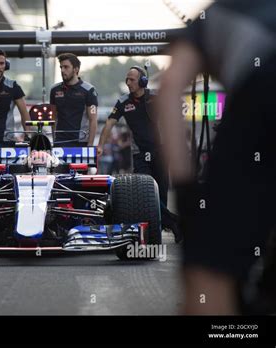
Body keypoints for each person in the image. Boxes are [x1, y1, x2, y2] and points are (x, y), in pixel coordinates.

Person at [156, 0, 276, 314]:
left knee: (208, 272)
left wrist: (184, 189)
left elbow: (169, 89)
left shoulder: (217, 13)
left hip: (263, 93)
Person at [97, 66, 181, 243]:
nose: (128, 83)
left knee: (161, 192)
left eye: (132, 80)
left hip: (161, 152)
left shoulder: (156, 97)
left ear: (143, 81)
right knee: (146, 192)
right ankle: (174, 222)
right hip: (140, 154)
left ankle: (161, 230)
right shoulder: (122, 102)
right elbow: (109, 124)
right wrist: (100, 146)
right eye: (127, 79)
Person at [49, 53, 98, 147]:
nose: (62, 70)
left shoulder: (89, 90)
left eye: (66, 67)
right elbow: (53, 118)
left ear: (76, 69)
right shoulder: (54, 90)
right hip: (60, 142)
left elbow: (93, 120)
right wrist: (55, 140)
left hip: (80, 141)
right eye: (61, 67)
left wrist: (90, 145)